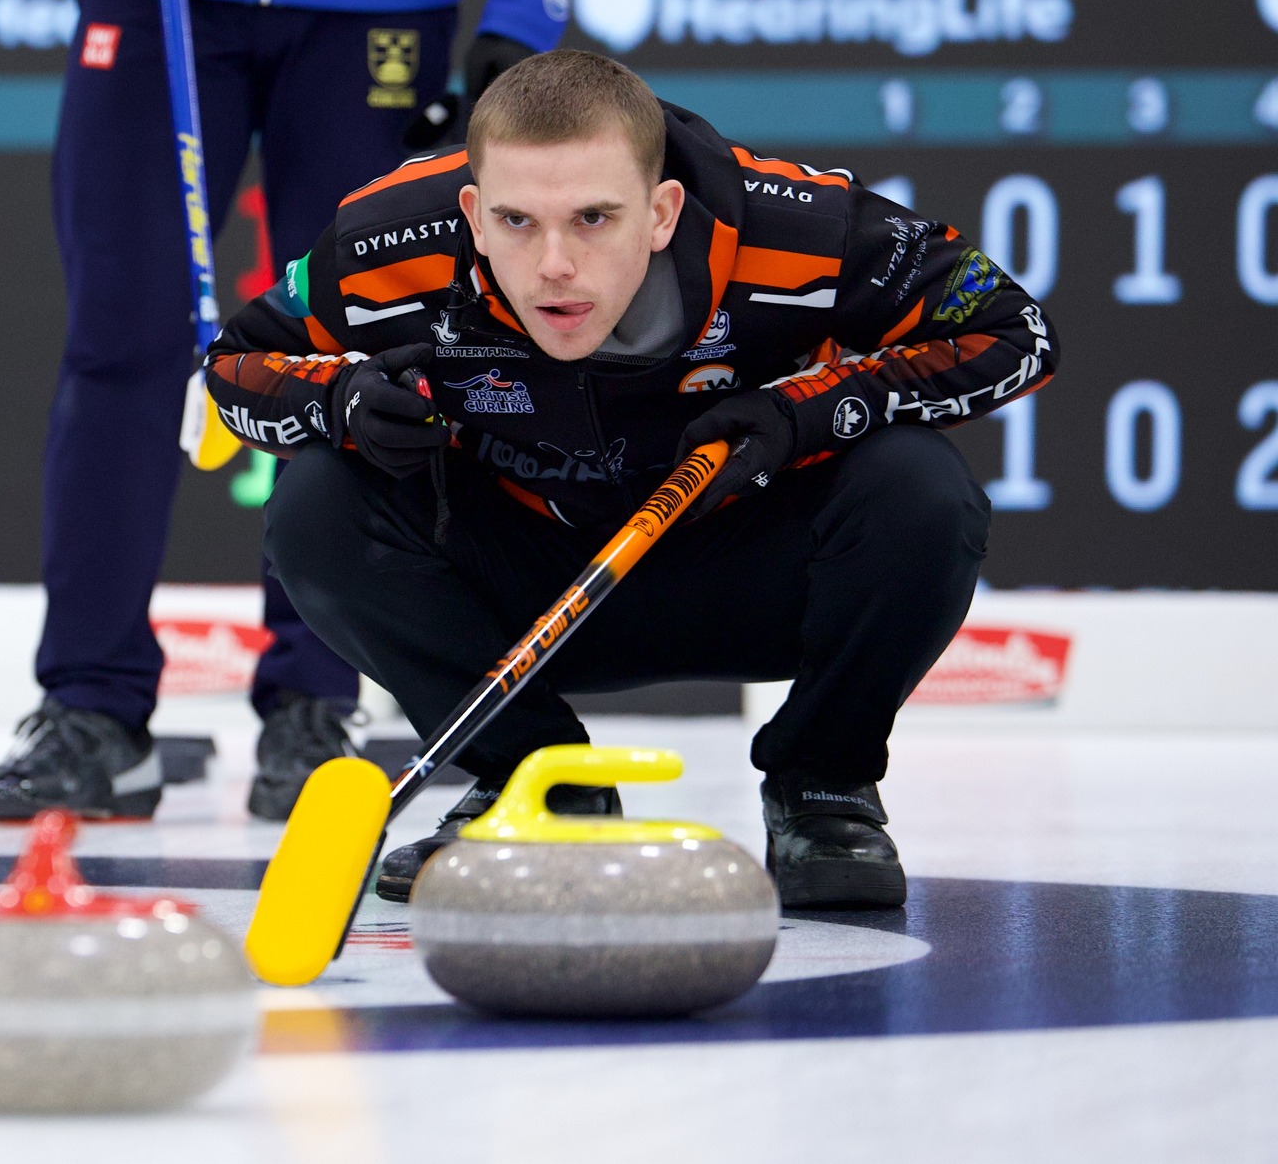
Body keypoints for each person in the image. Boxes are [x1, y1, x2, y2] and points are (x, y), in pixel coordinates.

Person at [205, 50, 1056, 907]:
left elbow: (1018, 332)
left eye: (593, 219)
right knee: (314, 500)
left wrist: (808, 411)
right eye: (517, 222)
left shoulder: (801, 224)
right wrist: (342, 399)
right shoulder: (386, 238)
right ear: (471, 209)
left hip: (737, 570)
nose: (554, 266)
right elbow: (237, 364)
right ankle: (540, 781)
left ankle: (823, 788)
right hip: (520, 599)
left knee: (920, 488)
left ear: (661, 211)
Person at [0, 0, 591, 824]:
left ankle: (315, 702)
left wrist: (521, 15)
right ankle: (89, 706)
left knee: (350, 357)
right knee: (120, 342)